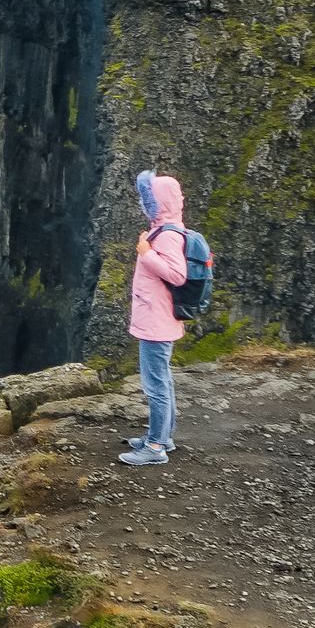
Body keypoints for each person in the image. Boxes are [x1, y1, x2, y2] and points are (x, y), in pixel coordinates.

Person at [121, 170, 188, 467]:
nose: (143, 204)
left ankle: (155, 446)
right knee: (163, 382)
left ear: (158, 203)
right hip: (156, 320)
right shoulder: (164, 230)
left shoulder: (169, 235)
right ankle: (163, 436)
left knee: (156, 386)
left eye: (148, 199)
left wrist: (146, 253)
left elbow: (177, 274)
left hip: (156, 324)